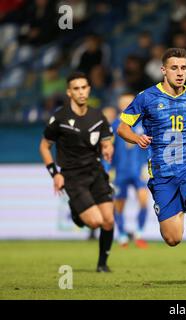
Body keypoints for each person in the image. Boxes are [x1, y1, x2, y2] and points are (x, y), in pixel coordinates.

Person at [117, 48, 186, 287]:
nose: (180, 73)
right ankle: (178, 204)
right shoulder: (146, 98)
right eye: (174, 68)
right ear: (163, 70)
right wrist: (136, 138)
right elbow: (122, 128)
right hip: (162, 174)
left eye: (183, 68)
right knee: (172, 238)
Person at [39, 71, 115, 272]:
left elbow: (107, 140)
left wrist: (108, 148)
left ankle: (102, 264)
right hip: (73, 176)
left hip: (96, 171)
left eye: (84, 87)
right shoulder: (59, 118)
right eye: (76, 89)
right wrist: (55, 173)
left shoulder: (98, 116)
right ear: (69, 92)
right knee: (95, 222)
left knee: (108, 220)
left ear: (89, 89)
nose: (81, 92)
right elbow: (44, 147)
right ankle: (76, 212)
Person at [111, 93, 151, 249]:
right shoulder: (115, 126)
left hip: (138, 171)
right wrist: (110, 169)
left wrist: (147, 166)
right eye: (124, 102)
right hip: (120, 171)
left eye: (130, 102)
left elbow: (147, 147)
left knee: (143, 201)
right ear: (120, 106)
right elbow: (108, 149)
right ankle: (121, 235)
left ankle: (139, 234)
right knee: (119, 204)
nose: (127, 105)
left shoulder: (142, 124)